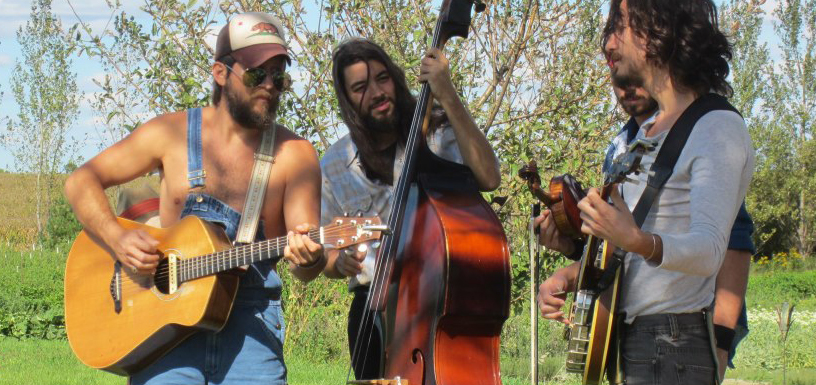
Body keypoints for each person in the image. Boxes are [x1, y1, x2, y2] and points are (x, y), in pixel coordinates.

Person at [65, 12, 324, 385]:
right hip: (164, 333)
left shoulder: (296, 155)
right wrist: (117, 237)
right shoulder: (170, 133)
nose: (269, 85)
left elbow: (306, 267)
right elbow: (81, 181)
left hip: (251, 331)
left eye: (278, 75)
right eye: (255, 73)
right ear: (220, 73)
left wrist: (310, 256)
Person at [536, 1, 754, 384]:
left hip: (672, 347)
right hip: (633, 340)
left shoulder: (716, 127)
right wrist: (568, 274)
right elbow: (627, 259)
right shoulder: (645, 133)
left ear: (659, 30)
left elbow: (709, 251)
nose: (608, 43)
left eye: (621, 26)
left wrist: (636, 239)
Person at [319, 38, 501, 379]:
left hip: (442, 304)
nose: (376, 92)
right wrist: (337, 262)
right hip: (371, 310)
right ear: (347, 100)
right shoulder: (333, 165)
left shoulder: (438, 132)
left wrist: (447, 94)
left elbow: (489, 177)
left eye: (382, 78)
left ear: (396, 78)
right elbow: (327, 256)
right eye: (360, 87)